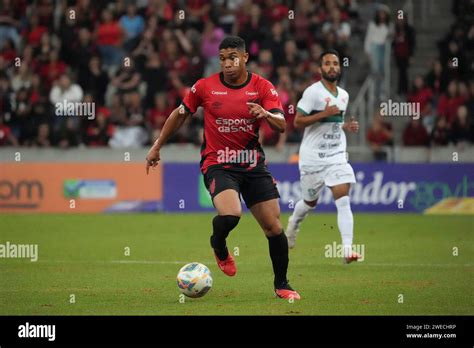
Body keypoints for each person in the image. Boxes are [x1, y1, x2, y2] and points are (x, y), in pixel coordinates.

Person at [145, 36, 300, 300]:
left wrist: (265, 114)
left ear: (245, 58)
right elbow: (180, 114)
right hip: (219, 163)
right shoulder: (205, 87)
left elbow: (282, 124)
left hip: (252, 164)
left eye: (232, 58)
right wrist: (158, 145)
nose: (227, 64)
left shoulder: (263, 87)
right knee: (230, 215)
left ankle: (282, 284)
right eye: (222, 58)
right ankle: (218, 244)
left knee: (274, 227)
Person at [285, 49, 361, 264]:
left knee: (343, 199)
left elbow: (334, 122)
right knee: (309, 202)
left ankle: (347, 249)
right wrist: (323, 114)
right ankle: (293, 224)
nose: (332, 67)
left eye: (335, 63)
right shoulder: (312, 93)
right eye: (327, 64)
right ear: (320, 69)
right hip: (312, 158)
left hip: (336, 155)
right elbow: (297, 122)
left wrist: (345, 125)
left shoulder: (344, 95)